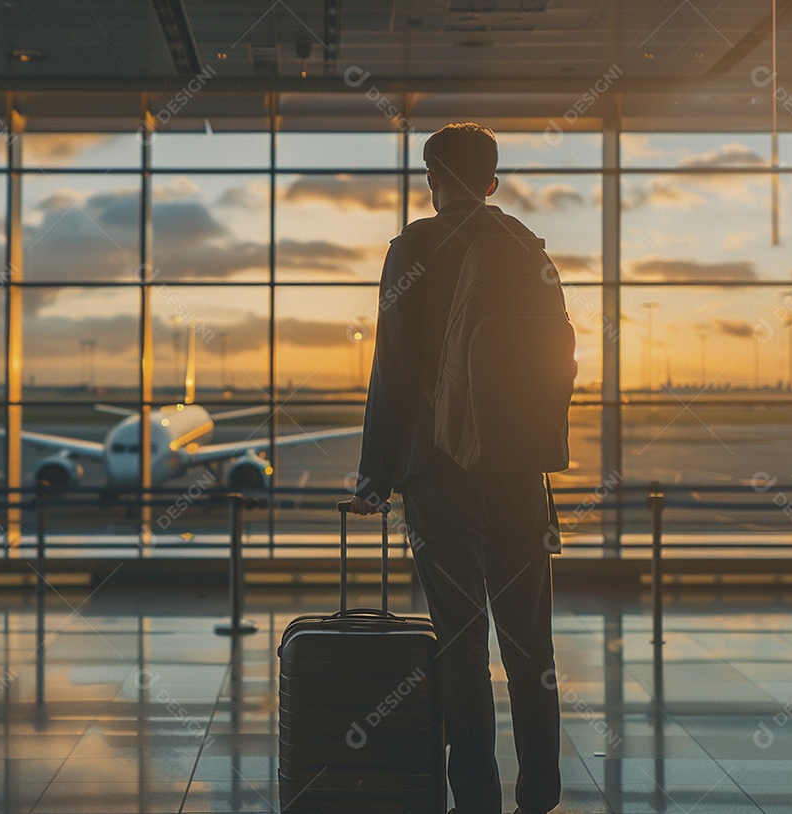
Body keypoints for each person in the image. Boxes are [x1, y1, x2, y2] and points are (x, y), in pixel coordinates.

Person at [349, 122, 562, 814]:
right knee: (531, 646)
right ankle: (541, 788)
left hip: (440, 476)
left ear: (432, 181)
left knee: (463, 643)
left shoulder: (414, 248)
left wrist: (375, 473)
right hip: (520, 473)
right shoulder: (526, 247)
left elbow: (396, 369)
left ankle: (474, 795)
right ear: (493, 182)